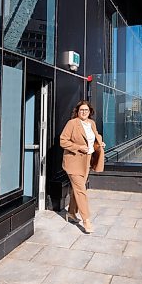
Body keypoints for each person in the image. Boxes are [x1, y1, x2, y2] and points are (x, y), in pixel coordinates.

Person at [60, 100, 105, 233]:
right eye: (81, 110)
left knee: (77, 189)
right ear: (77, 112)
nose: (84, 112)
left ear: (90, 111)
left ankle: (71, 213)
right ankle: (86, 220)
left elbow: (95, 138)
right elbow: (63, 140)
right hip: (73, 162)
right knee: (81, 190)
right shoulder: (72, 123)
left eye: (86, 110)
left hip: (86, 162)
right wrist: (78, 147)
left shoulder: (91, 123)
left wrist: (100, 144)